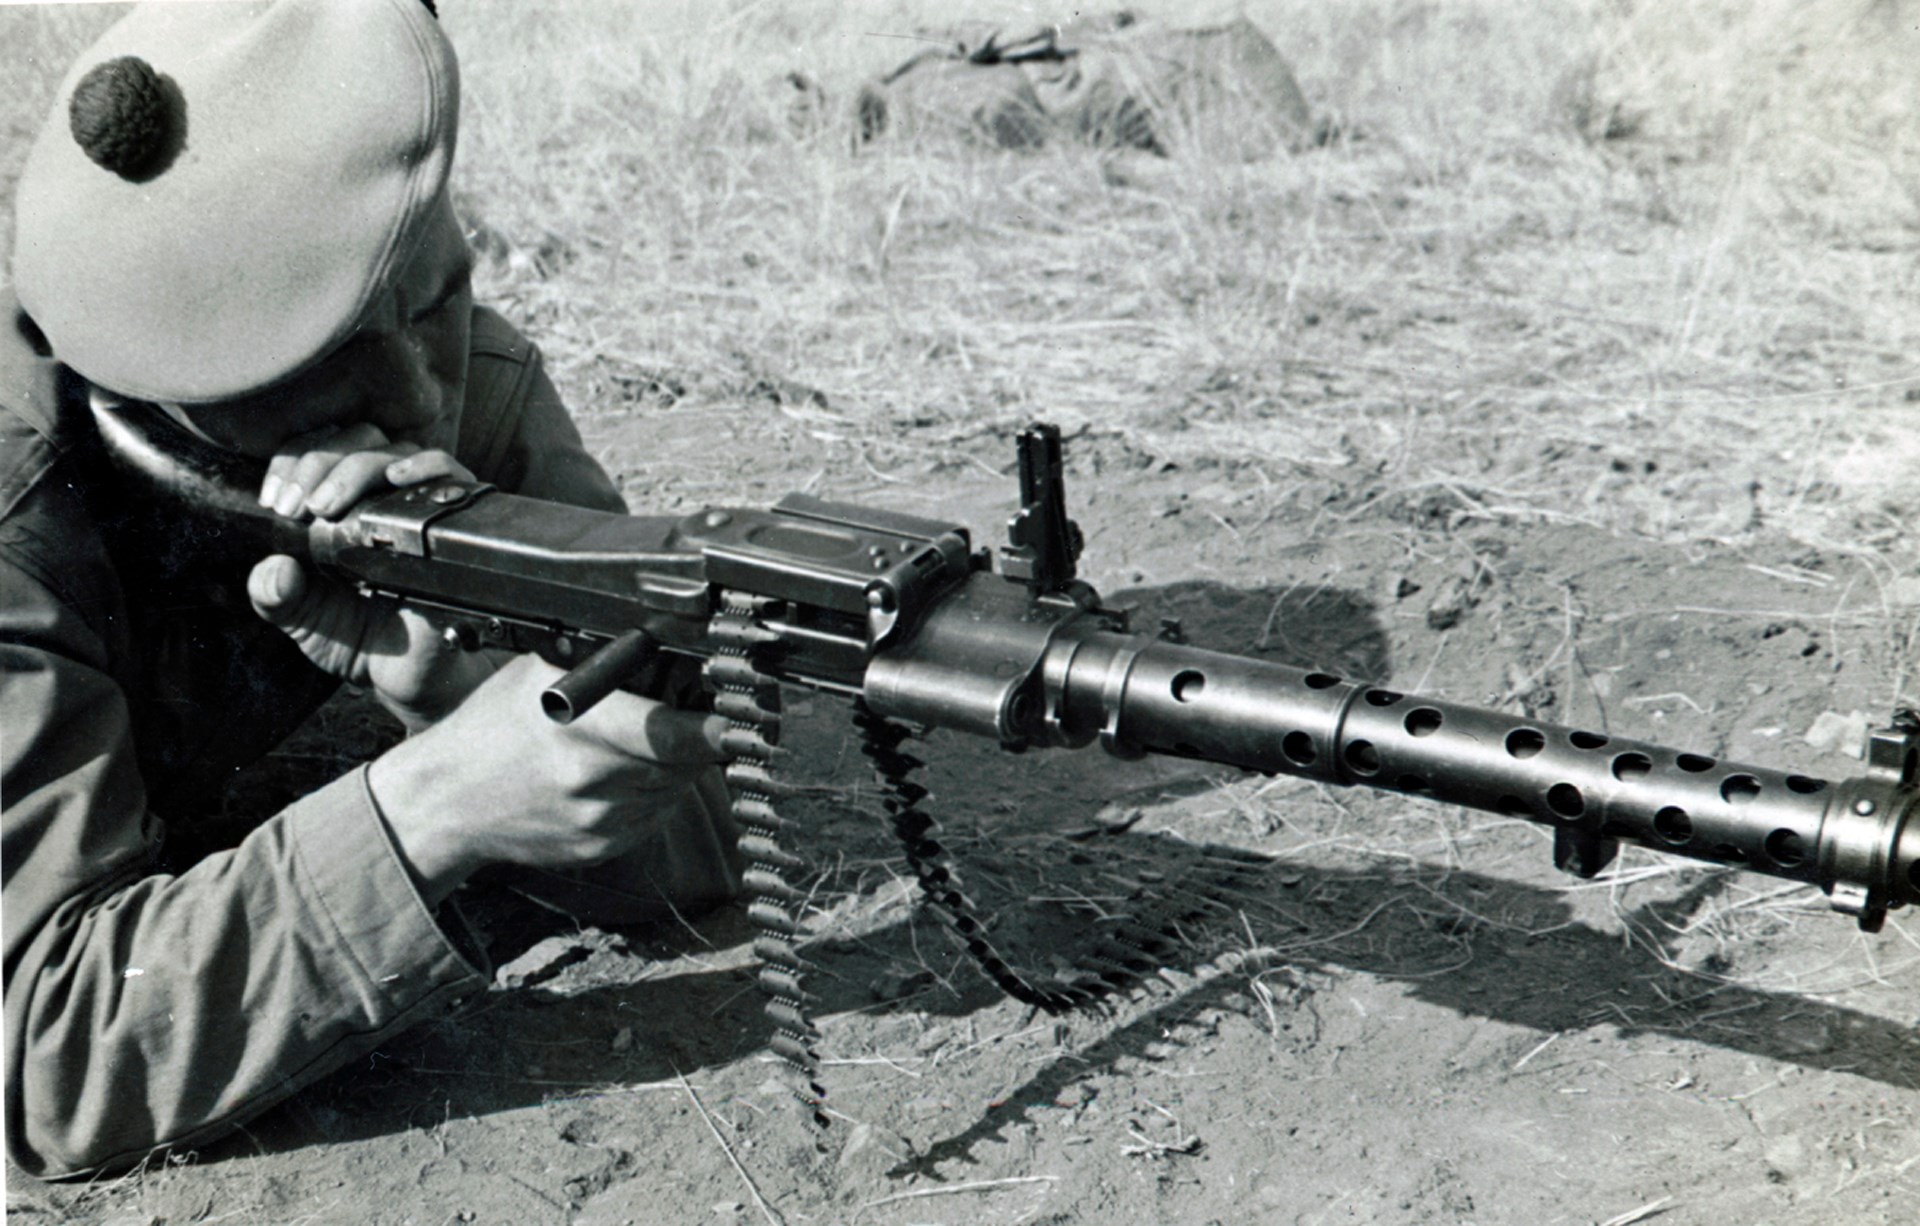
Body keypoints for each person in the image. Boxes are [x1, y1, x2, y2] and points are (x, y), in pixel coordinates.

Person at [1, 0, 740, 1179]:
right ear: (162, 402)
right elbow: (43, 1058)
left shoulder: (469, 389)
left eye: (431, 297)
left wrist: (464, 684)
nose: (416, 393)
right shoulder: (18, 515)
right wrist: (432, 807)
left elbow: (697, 844)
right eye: (327, 363)